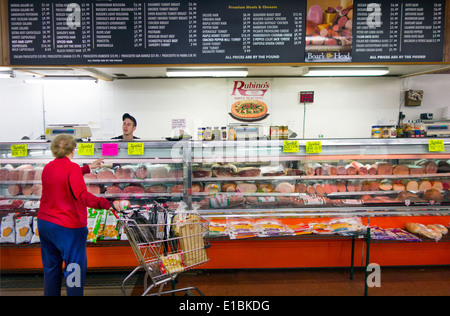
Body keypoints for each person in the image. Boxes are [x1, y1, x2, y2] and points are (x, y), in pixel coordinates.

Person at [37, 134, 114, 296]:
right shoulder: (71, 168)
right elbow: (82, 195)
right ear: (72, 150)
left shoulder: (48, 167)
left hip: (45, 225)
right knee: (74, 269)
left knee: (51, 270)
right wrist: (107, 203)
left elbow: (63, 176)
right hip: (67, 227)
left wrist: (87, 168)